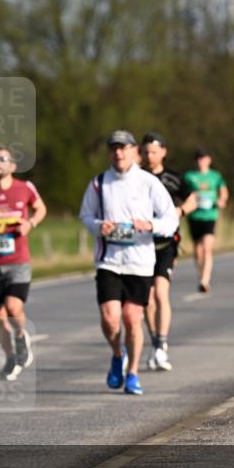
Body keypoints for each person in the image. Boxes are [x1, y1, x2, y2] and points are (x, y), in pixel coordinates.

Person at [80, 130, 178, 395]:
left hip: (140, 262)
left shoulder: (148, 183)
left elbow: (171, 219)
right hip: (109, 261)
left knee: (132, 318)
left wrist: (151, 225)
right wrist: (100, 227)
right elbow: (85, 216)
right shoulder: (100, 183)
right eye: (114, 148)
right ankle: (117, 353)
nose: (118, 153)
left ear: (134, 151)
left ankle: (132, 373)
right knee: (110, 319)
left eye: (123, 148)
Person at [0, 145, 46, 382]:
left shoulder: (24, 188)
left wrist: (31, 223)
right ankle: (11, 356)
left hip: (18, 261)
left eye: (2, 159)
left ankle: (22, 335)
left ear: (13, 165)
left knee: (14, 307)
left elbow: (41, 208)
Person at [139, 132, 195, 371]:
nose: (149, 156)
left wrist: (178, 212)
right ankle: (155, 341)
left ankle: (161, 345)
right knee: (146, 299)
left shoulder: (173, 178)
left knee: (161, 293)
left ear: (163, 152)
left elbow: (193, 200)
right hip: (140, 245)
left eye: (154, 151)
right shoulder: (136, 177)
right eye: (146, 152)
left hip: (166, 243)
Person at [183, 148, 228, 293]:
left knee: (207, 248)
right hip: (195, 216)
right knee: (197, 250)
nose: (201, 161)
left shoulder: (216, 176)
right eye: (199, 158)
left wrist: (221, 200)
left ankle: (205, 280)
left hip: (210, 215)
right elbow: (182, 192)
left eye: (204, 158)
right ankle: (200, 274)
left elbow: (223, 192)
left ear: (209, 160)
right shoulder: (189, 176)